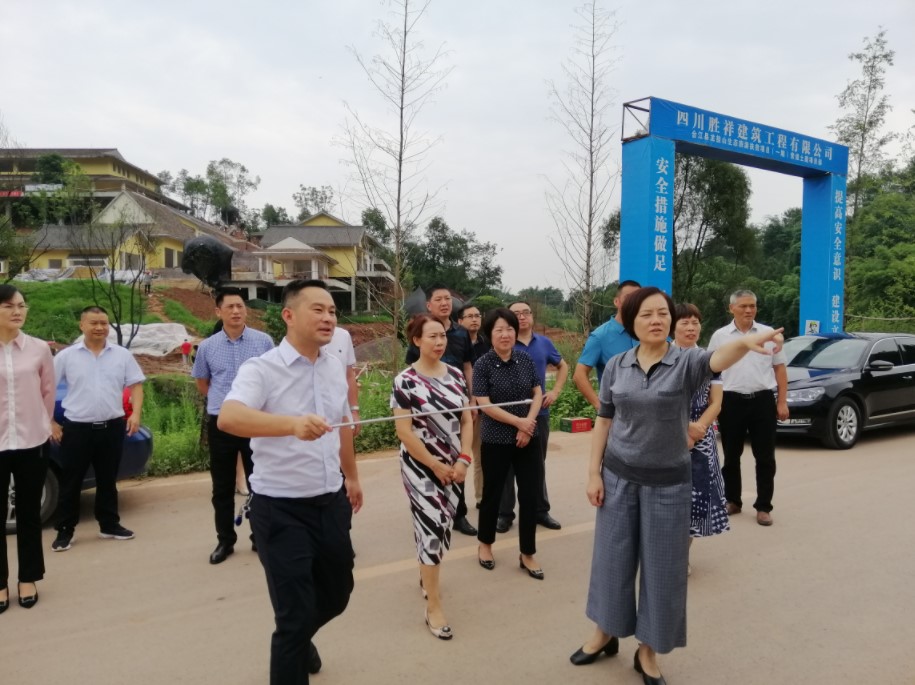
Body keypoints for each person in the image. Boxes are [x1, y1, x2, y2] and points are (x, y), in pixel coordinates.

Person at [571, 287, 783, 684]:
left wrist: (745, 342)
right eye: (646, 314)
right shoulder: (616, 365)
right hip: (618, 477)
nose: (656, 320)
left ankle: (648, 650)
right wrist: (593, 472)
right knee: (612, 561)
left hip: (668, 483)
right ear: (631, 321)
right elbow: (604, 419)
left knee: (663, 569)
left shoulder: (685, 362)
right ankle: (605, 633)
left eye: (662, 314)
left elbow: (718, 358)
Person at [218, 279, 363, 685]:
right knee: (293, 615)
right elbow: (229, 417)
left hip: (330, 501)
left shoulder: (333, 367)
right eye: (318, 309)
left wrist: (352, 476)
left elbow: (342, 426)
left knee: (337, 593)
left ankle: (299, 638)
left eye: (332, 311)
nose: (328, 318)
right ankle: (295, 641)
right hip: (280, 509)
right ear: (288, 315)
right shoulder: (261, 368)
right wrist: (291, 425)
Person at [391, 314, 473, 640]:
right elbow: (404, 431)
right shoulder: (405, 381)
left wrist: (464, 458)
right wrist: (435, 465)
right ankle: (434, 606)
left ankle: (426, 573)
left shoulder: (455, 375)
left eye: (442, 336)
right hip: (420, 466)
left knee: (439, 524)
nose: (439, 342)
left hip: (454, 464)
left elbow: (466, 419)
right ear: (416, 341)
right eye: (432, 337)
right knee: (433, 526)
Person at [51, 306, 145, 552]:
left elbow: (136, 385)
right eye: (94, 323)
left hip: (111, 427)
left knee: (107, 479)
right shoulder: (66, 357)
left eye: (104, 323)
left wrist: (135, 413)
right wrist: (50, 422)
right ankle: (65, 530)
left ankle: (109, 525)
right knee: (71, 481)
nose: (100, 327)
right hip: (77, 429)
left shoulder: (121, 355)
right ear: (82, 325)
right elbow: (45, 389)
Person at [192, 288, 274, 564]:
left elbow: (273, 379)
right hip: (222, 424)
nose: (236, 311)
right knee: (222, 487)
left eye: (240, 306)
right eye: (230, 307)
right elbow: (203, 383)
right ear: (219, 311)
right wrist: (225, 405)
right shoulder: (207, 347)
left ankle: (259, 537)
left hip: (255, 422)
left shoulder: (263, 342)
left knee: (260, 482)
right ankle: (225, 540)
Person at [473, 308, 544, 579]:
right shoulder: (482, 364)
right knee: (492, 494)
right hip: (496, 439)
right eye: (499, 330)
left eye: (510, 329)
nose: (506, 334)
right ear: (489, 334)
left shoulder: (525, 359)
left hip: (527, 438)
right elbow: (484, 404)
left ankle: (527, 553)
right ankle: (485, 545)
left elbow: (537, 393)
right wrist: (519, 423)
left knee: (529, 495)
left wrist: (529, 424)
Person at [707, 290, 788, 527]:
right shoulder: (720, 336)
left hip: (762, 400)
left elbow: (780, 369)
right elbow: (710, 370)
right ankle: (733, 500)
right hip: (730, 401)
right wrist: (712, 404)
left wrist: (782, 401)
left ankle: (764, 506)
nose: (749, 310)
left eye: (752, 305)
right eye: (743, 306)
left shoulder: (768, 333)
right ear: (731, 308)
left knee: (765, 457)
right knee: (731, 455)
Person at [406, 284, 477, 537]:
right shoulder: (421, 331)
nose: (445, 303)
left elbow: (467, 366)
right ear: (429, 305)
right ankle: (431, 511)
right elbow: (410, 369)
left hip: (456, 402)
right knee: (430, 458)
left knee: (458, 457)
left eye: (448, 298)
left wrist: (471, 399)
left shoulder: (461, 333)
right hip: (428, 409)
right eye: (439, 299)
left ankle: (459, 514)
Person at [0, 286, 55, 611]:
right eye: (9, 306)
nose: (17, 311)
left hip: (32, 442)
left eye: (21, 305)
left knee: (29, 514)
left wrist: (43, 426)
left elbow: (47, 392)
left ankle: (28, 578)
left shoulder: (38, 349)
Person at [496, 301, 568, 533]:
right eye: (516, 313)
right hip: (507, 415)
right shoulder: (503, 342)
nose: (522, 317)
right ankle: (505, 514)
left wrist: (555, 391)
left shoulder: (544, 343)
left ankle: (540, 511)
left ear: (532, 316)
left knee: (536, 465)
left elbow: (563, 366)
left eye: (525, 312)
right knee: (506, 466)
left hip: (539, 414)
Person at [672, 304, 729, 572]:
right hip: (666, 433)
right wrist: (682, 428)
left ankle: (681, 555)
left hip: (701, 437)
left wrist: (698, 429)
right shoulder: (663, 357)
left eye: (695, 322)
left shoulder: (710, 359)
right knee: (665, 498)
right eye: (685, 322)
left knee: (695, 500)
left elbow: (716, 402)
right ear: (673, 326)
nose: (691, 327)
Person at [573, 280, 641, 408]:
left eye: (638, 298)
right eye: (628, 298)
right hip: (616, 413)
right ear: (616, 301)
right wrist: (600, 407)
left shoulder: (646, 332)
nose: (634, 302)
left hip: (649, 412)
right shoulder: (600, 337)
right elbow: (579, 375)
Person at [457, 304, 488, 509]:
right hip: (458, 408)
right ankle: (456, 503)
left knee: (480, 456)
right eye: (469, 316)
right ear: (460, 321)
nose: (474, 319)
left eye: (477, 315)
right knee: (457, 455)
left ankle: (481, 497)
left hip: (482, 409)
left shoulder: (487, 344)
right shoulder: (451, 343)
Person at [324, 326, 362, 437]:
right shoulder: (302, 339)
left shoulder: (343, 336)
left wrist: (354, 410)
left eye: (332, 316)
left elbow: (349, 375)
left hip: (342, 414)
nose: (327, 318)